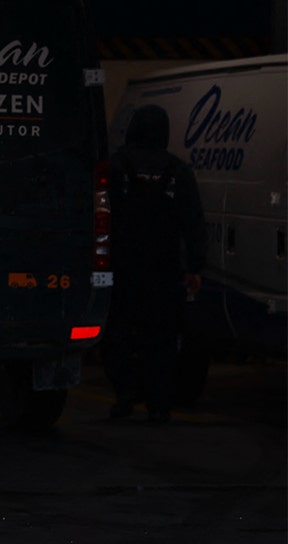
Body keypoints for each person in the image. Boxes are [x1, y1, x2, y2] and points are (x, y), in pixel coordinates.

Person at [102, 104, 206, 424]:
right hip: (164, 269)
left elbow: (101, 216)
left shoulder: (117, 166)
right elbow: (193, 221)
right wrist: (195, 267)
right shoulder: (177, 170)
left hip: (123, 266)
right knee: (160, 338)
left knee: (118, 333)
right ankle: (159, 403)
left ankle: (124, 395)